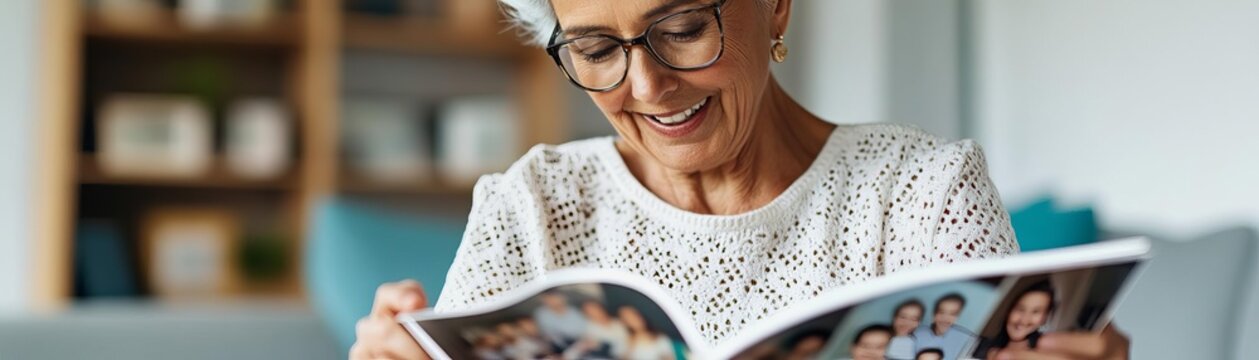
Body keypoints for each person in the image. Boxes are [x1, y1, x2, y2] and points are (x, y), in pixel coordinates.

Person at [350, 0, 1130, 359]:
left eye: (684, 29)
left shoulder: (921, 192)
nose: (647, 86)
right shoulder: (533, 207)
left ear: (777, 7)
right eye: (595, 49)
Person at [980, 280, 1056, 359]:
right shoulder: (979, 346)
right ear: (1009, 310)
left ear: (1045, 318)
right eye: (1020, 309)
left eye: (1035, 312)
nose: (1024, 320)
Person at [913, 293, 973, 360]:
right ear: (934, 314)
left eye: (953, 314)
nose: (945, 318)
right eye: (941, 312)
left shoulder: (966, 340)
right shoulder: (918, 334)